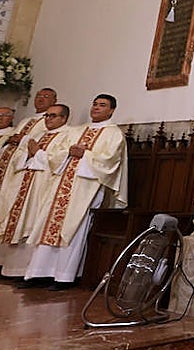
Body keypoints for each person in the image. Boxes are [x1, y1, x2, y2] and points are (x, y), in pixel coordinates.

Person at [22, 94, 127, 289]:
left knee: (74, 228)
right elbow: (55, 153)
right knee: (49, 223)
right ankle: (39, 273)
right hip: (61, 184)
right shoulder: (77, 131)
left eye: (102, 105)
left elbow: (110, 161)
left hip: (86, 187)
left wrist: (85, 154)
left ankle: (64, 276)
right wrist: (68, 152)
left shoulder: (114, 134)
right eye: (94, 104)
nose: (96, 108)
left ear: (111, 110)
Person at [0, 103, 72, 279]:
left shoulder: (68, 135)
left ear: (64, 118)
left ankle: (26, 271)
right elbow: (19, 156)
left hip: (44, 186)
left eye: (53, 116)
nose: (48, 119)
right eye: (47, 116)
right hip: (26, 184)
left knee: (32, 224)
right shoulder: (38, 135)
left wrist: (37, 153)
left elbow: (60, 161)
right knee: (19, 222)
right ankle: (10, 269)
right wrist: (29, 154)